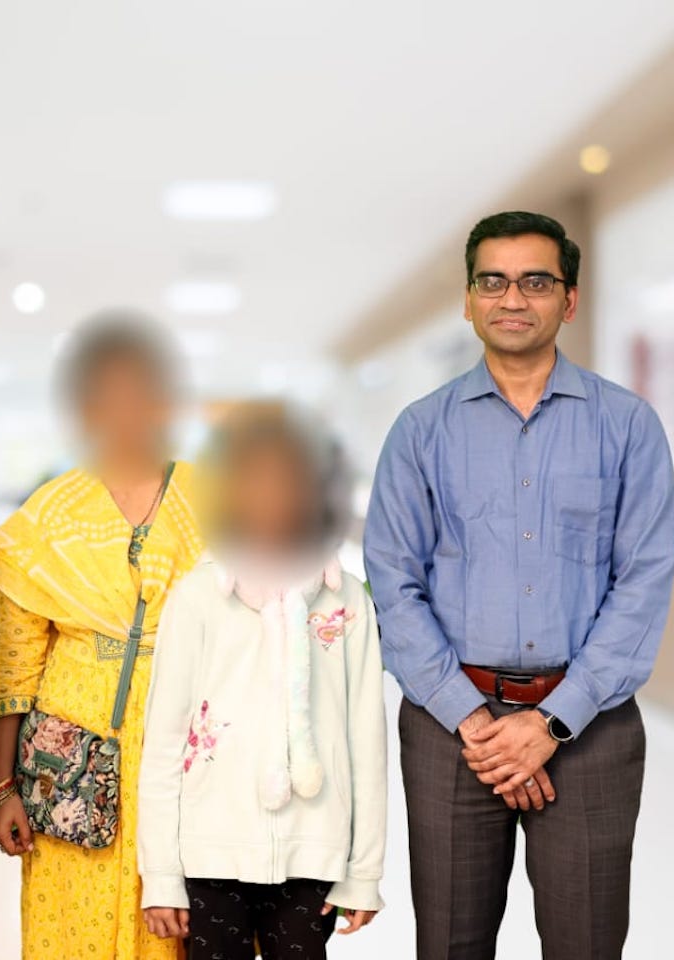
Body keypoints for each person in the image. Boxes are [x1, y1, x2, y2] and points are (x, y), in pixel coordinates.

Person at [363, 211, 674, 960]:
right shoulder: (420, 431)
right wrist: (474, 721)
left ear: (569, 300)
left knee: (586, 943)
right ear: (468, 300)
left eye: (536, 282)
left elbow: (643, 581)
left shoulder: (627, 426)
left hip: (590, 729)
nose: (512, 298)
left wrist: (550, 724)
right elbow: (393, 581)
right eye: (493, 282)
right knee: (450, 944)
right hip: (450, 733)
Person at [0, 313, 205, 960]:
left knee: (184, 927)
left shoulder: (217, 500)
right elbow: (15, 665)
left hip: (194, 756)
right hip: (72, 768)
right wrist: (0, 788)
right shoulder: (50, 515)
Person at [138, 404, 386, 959]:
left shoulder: (345, 598)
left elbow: (366, 741)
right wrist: (161, 875)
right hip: (211, 852)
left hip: (314, 853)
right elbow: (165, 743)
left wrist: (363, 871)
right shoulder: (198, 598)